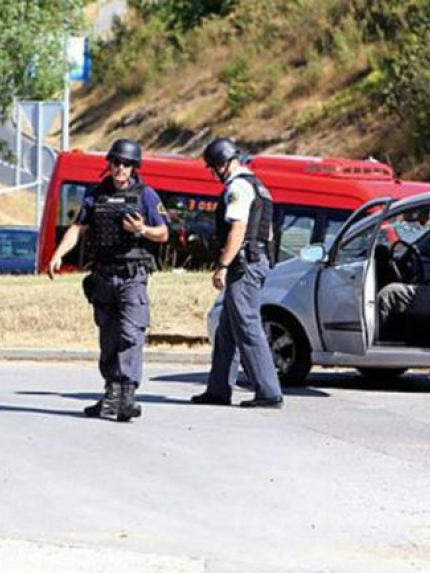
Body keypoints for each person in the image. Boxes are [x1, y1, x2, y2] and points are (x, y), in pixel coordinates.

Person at [47, 139, 169, 422]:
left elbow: (163, 233)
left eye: (126, 164)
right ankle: (111, 396)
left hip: (132, 277)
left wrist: (142, 229)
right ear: (110, 165)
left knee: (131, 335)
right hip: (103, 276)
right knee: (109, 338)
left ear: (133, 167)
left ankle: (127, 395)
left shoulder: (147, 195)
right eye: (116, 163)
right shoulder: (95, 195)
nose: (120, 169)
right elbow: (77, 228)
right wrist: (57, 254)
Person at [191, 138, 284, 408]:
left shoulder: (238, 187)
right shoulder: (258, 186)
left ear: (223, 163)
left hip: (243, 265)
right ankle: (219, 389)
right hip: (255, 260)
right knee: (226, 330)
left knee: (247, 325)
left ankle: (268, 392)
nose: (213, 174)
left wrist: (223, 265)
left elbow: (238, 228)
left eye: (213, 168)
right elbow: (268, 233)